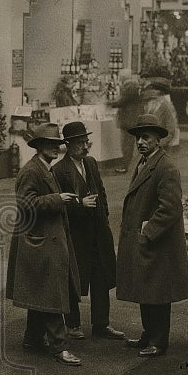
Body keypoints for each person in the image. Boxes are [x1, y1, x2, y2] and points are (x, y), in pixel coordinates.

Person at [4, 123, 82, 367]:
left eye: (57, 144)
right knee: (51, 293)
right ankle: (59, 346)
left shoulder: (43, 168)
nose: (56, 148)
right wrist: (57, 199)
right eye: (50, 144)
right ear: (38, 146)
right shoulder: (32, 171)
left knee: (41, 290)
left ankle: (33, 338)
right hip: (39, 240)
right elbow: (26, 204)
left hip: (43, 238)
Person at [116, 114, 188, 357]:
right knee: (146, 291)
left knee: (158, 294)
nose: (140, 142)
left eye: (146, 137)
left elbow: (170, 209)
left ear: (158, 140)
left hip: (158, 244)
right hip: (146, 242)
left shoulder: (166, 167)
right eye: (138, 137)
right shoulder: (144, 163)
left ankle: (159, 341)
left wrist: (147, 233)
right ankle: (149, 334)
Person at [52, 122, 126, 341]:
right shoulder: (59, 170)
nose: (85, 147)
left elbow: (101, 192)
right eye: (80, 143)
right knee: (74, 279)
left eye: (86, 142)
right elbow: (59, 205)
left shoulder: (91, 163)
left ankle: (101, 324)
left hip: (97, 233)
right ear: (68, 145)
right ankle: (73, 324)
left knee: (101, 278)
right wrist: (80, 205)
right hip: (76, 236)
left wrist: (103, 216)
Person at [111, 76, 144, 173]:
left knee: (126, 145)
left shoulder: (129, 88)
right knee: (133, 145)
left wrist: (109, 104)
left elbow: (120, 102)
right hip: (134, 120)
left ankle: (125, 166)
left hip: (128, 122)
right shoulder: (135, 88)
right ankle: (133, 165)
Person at [141, 78, 179, 153]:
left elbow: (170, 130)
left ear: (160, 92)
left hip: (161, 148)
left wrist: (159, 144)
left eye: (153, 90)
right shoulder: (149, 105)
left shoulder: (167, 106)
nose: (150, 93)